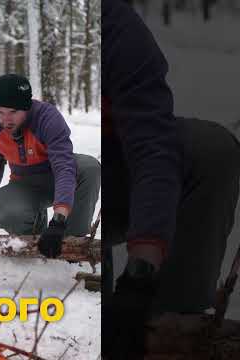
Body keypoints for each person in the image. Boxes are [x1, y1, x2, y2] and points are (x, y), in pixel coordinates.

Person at [102, 0, 240, 358]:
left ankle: (174, 327)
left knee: (210, 151)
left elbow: (153, 146)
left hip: (119, 179)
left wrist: (140, 275)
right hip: (62, 197)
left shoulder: (113, 23)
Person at [0, 74, 100, 258]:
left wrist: (58, 221)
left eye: (13, 112)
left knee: (90, 167)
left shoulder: (47, 118)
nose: (5, 120)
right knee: (2, 204)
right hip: (25, 184)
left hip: (58, 177)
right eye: (0, 112)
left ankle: (72, 241)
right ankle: (34, 237)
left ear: (26, 108)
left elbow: (64, 167)